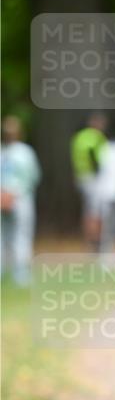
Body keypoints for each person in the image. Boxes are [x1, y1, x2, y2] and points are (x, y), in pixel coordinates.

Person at [0, 116, 41, 286]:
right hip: (21, 199)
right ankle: (21, 274)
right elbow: (34, 176)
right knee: (22, 236)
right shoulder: (25, 152)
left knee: (3, 237)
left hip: (2, 198)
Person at [70, 112, 108, 252]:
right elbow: (97, 158)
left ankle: (91, 239)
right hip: (94, 178)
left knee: (89, 210)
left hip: (82, 177)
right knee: (95, 211)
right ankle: (95, 241)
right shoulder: (95, 137)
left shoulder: (79, 137)